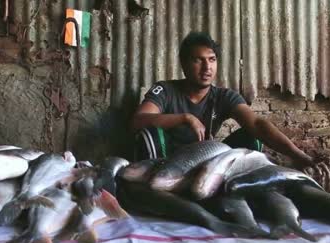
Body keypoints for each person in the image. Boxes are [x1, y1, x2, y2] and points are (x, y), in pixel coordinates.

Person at [132, 31, 316, 168]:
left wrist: (297, 155)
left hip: (206, 162)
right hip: (169, 164)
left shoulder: (224, 96)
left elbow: (258, 124)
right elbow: (138, 121)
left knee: (253, 136)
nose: (207, 67)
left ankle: (237, 190)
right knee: (150, 134)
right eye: (198, 60)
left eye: (212, 60)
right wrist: (185, 118)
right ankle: (159, 194)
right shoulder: (165, 89)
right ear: (184, 63)